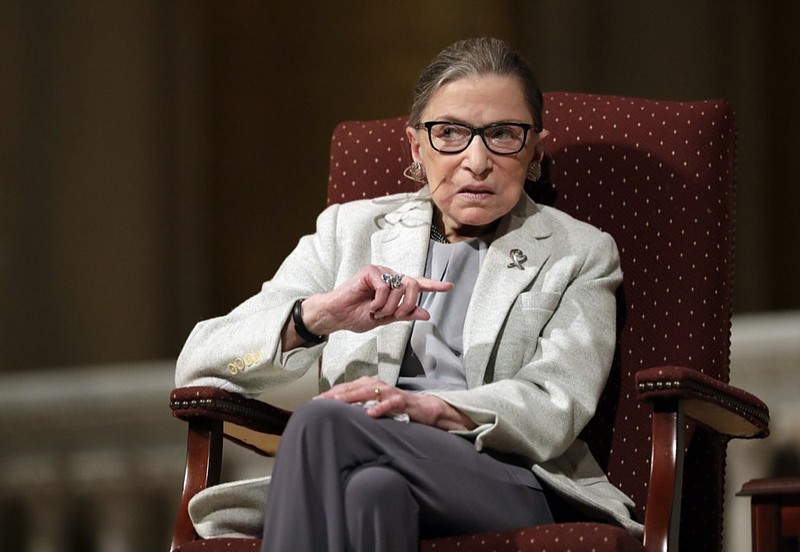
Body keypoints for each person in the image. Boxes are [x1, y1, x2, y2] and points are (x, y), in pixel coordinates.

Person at [176, 37, 643, 551]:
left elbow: (555, 404)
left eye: (503, 135)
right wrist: (319, 316)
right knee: (373, 494)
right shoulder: (349, 232)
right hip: (367, 466)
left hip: (512, 477)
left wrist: (430, 408)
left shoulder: (579, 251)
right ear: (416, 147)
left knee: (324, 421)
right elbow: (200, 362)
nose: (477, 160)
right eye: (450, 134)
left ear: (533, 148)